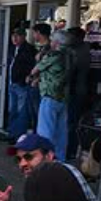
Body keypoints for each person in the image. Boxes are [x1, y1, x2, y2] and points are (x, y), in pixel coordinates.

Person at [31, 28, 69, 161]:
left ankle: (44, 162)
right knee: (61, 134)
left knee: (45, 132)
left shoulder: (53, 55)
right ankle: (60, 162)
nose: (51, 42)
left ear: (57, 42)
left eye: (53, 40)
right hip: (63, 98)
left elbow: (36, 69)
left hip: (50, 96)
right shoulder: (70, 55)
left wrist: (32, 76)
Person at [65, 26, 91, 160]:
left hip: (75, 91)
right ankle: (70, 149)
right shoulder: (79, 50)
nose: (66, 39)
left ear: (75, 38)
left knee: (71, 122)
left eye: (68, 36)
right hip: (76, 90)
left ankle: (70, 149)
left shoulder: (78, 52)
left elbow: (70, 72)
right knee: (70, 121)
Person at [7, 27, 36, 141]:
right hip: (12, 83)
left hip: (21, 84)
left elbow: (31, 66)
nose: (14, 38)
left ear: (24, 36)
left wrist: (26, 78)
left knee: (21, 111)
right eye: (13, 35)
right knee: (12, 110)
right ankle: (11, 132)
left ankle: (18, 135)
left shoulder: (29, 49)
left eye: (18, 35)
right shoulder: (12, 49)